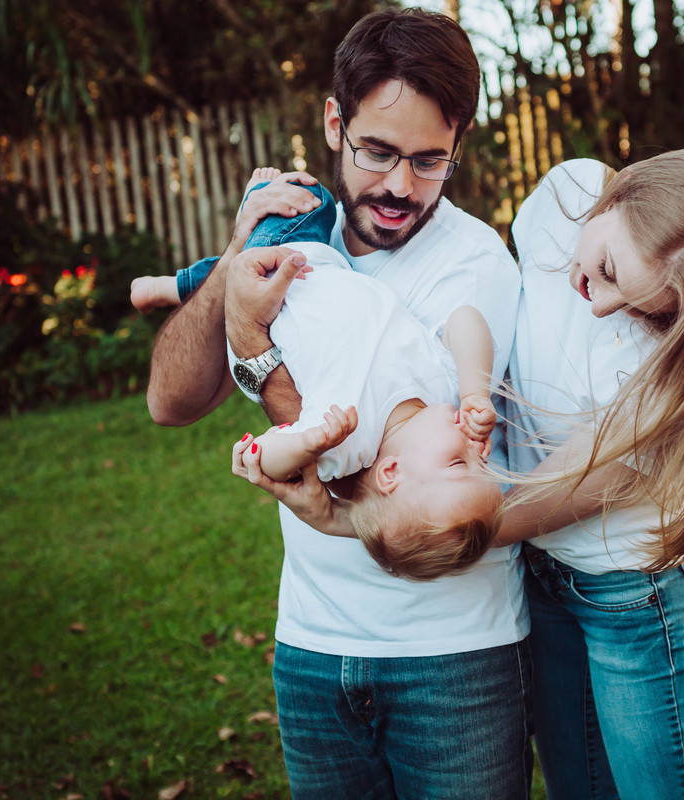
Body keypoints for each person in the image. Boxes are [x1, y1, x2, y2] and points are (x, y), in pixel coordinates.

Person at [242, 149, 684, 799]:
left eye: (646, 308)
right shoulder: (569, 192)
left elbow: (516, 512)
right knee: (577, 787)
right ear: (615, 201)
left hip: (632, 597)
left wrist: (345, 520)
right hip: (544, 581)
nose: (600, 305)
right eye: (609, 270)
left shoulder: (671, 385)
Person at [144, 8, 530, 799]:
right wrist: (235, 258)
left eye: (430, 162)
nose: (398, 187)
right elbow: (170, 403)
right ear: (333, 122)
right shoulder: (290, 243)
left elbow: (338, 436)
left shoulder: (473, 265)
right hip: (312, 647)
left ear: (459, 146)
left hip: (453, 660)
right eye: (378, 151)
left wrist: (251, 340)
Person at [135, 171, 503, 581]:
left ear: (391, 473)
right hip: (324, 264)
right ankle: (175, 286)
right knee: (316, 209)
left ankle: (180, 282)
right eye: (484, 465)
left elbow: (267, 459)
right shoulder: (444, 391)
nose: (479, 450)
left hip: (280, 273)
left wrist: (307, 442)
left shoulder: (344, 444)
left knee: (313, 198)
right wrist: (476, 392)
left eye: (459, 463)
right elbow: (465, 321)